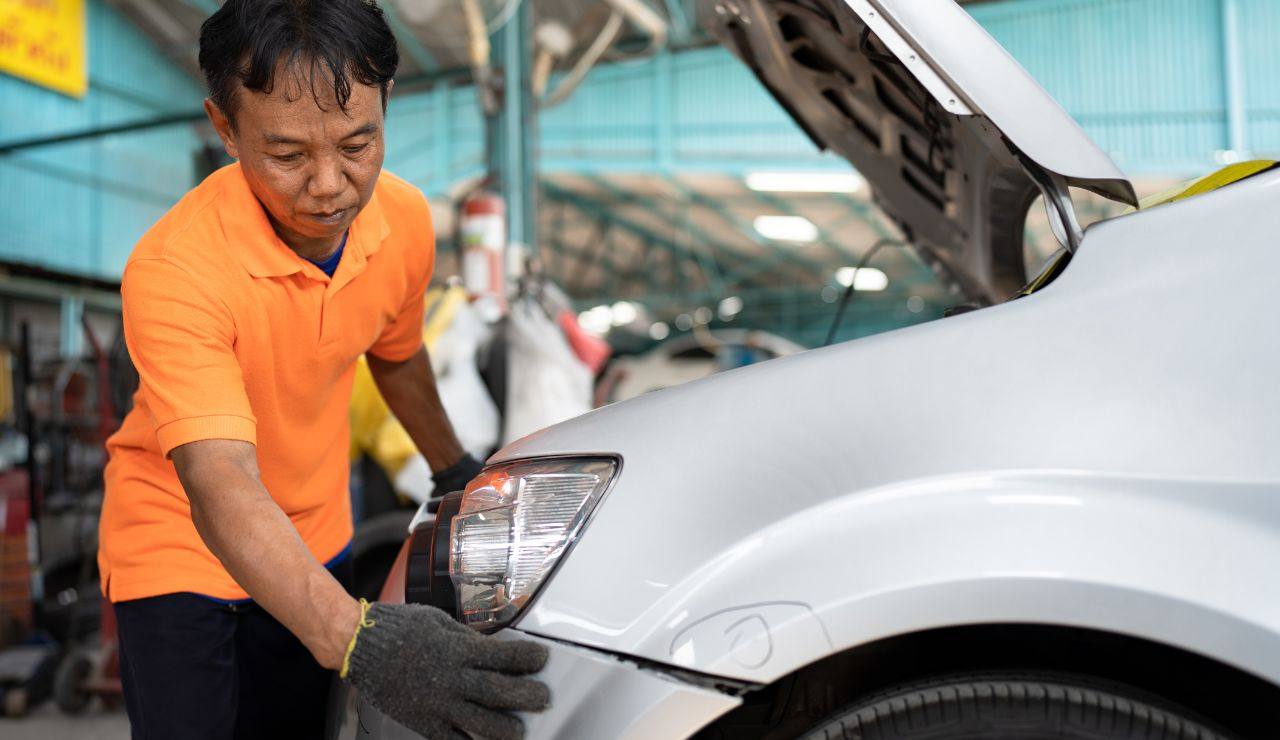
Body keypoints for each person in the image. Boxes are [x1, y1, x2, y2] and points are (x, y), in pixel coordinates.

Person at [97, 1, 549, 738]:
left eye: (357, 144)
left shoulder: (401, 224)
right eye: (287, 155)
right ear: (225, 127)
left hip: (314, 535)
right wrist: (359, 638)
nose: (330, 185)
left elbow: (396, 353)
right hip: (177, 542)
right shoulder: (175, 269)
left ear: (386, 105)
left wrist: (454, 471)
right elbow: (219, 482)